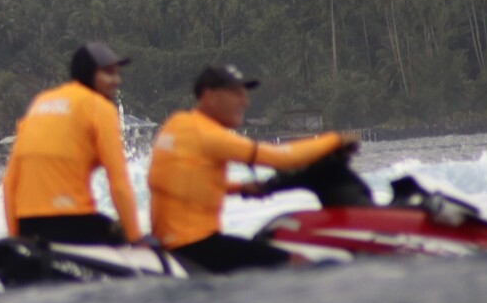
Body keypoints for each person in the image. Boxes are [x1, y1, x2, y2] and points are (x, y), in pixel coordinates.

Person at [148, 65, 356, 274]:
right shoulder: (209, 135)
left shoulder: (177, 123)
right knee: (297, 261)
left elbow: (182, 180)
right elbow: (282, 158)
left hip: (170, 240)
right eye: (236, 94)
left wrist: (239, 188)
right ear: (209, 96)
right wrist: (336, 139)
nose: (245, 102)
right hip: (195, 244)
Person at [1, 42, 143, 246]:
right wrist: (136, 239)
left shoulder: (40, 103)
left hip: (27, 224)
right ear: (89, 74)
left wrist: (16, 238)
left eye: (117, 73)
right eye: (109, 73)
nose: (116, 80)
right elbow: (118, 182)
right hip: (71, 222)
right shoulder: (99, 106)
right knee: (121, 235)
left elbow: (9, 183)